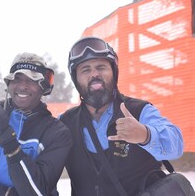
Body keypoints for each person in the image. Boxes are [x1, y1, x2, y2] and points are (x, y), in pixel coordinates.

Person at [59, 36, 184, 196]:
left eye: (101, 67)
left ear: (114, 72)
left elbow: (176, 145)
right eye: (86, 70)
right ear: (76, 79)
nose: (94, 74)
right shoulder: (65, 123)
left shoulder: (139, 110)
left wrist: (145, 135)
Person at [0, 52, 72, 196]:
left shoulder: (56, 133)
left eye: (32, 80)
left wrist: (9, 142)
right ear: (8, 85)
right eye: (17, 79)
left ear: (43, 88)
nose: (22, 86)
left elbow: (38, 191)